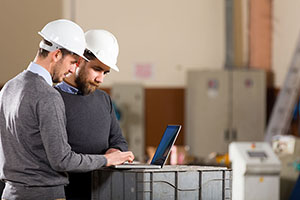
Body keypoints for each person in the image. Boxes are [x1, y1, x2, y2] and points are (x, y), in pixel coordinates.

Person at [0, 20, 134, 200]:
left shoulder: (9, 87)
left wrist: (114, 152)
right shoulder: (48, 95)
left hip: (13, 192)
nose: (72, 68)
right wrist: (106, 160)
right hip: (45, 193)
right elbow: (62, 160)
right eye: (72, 61)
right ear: (57, 55)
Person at [55, 29, 129, 200]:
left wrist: (114, 152)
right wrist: (104, 159)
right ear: (78, 61)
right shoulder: (52, 99)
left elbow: (119, 140)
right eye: (96, 69)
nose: (100, 79)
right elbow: (58, 157)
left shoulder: (104, 99)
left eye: (105, 72)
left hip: (101, 192)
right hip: (65, 193)